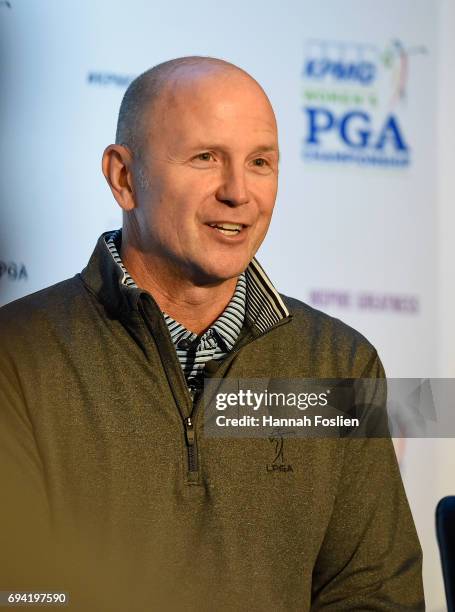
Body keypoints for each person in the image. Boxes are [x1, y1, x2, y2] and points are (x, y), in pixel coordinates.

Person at [0, 56, 424, 611]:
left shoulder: (340, 362)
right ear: (124, 178)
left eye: (260, 162)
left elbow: (374, 594)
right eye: (205, 158)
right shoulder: (20, 353)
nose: (238, 192)